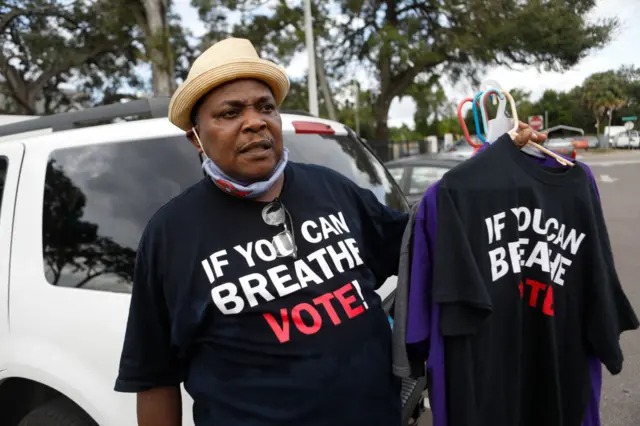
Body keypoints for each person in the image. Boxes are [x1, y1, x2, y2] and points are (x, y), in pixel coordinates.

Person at [114, 37, 545, 426]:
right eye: (230, 112)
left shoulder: (330, 187)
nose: (255, 122)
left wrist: (493, 171)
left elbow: (421, 241)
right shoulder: (170, 234)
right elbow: (153, 378)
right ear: (196, 138)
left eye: (265, 107)